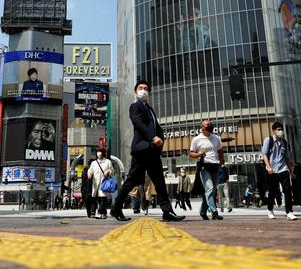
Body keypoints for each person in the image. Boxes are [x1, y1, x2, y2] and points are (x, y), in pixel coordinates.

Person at [109, 80, 184, 222]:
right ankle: (116, 209)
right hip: (142, 150)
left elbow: (157, 127)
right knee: (131, 181)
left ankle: (167, 212)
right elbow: (139, 124)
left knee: (160, 182)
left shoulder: (149, 109)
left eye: (146, 89)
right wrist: (153, 137)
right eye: (140, 88)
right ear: (135, 92)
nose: (143, 90)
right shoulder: (135, 106)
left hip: (152, 151)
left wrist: (160, 142)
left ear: (149, 92)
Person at [189, 119, 224, 221]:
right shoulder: (197, 139)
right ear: (202, 128)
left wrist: (222, 161)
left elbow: (220, 150)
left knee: (212, 190)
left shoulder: (216, 138)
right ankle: (214, 212)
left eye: (210, 124)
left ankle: (203, 211)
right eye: (207, 125)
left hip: (215, 165)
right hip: (204, 166)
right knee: (210, 188)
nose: (210, 126)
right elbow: (191, 153)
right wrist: (199, 154)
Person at [262, 121, 297, 220]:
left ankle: (289, 212)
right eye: (278, 130)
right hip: (272, 169)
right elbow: (264, 154)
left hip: (283, 168)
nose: (280, 132)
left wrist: (291, 171)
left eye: (281, 130)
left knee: (287, 190)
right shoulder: (268, 140)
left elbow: (287, 158)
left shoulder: (284, 142)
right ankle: (270, 209)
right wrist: (268, 166)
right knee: (273, 191)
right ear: (274, 131)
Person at [88, 148, 114, 219]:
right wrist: (89, 174)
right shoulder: (94, 163)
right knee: (98, 199)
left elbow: (112, 171)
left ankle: (100, 212)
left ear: (103, 153)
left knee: (103, 198)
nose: (99, 153)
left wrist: (108, 172)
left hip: (104, 183)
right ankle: (104, 213)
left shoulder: (108, 162)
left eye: (100, 152)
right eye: (97, 152)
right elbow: (90, 170)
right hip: (96, 184)